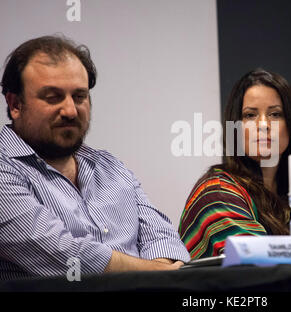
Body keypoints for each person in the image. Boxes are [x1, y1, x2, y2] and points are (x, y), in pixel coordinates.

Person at [0, 35, 190, 280]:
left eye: (79, 97)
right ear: (15, 104)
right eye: (53, 97)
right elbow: (66, 257)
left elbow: (164, 238)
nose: (70, 110)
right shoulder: (5, 167)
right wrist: (154, 274)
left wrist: (159, 273)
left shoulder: (110, 166)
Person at [178, 68, 291, 259]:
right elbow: (254, 255)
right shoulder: (216, 191)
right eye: (250, 115)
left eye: (275, 114)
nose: (263, 124)